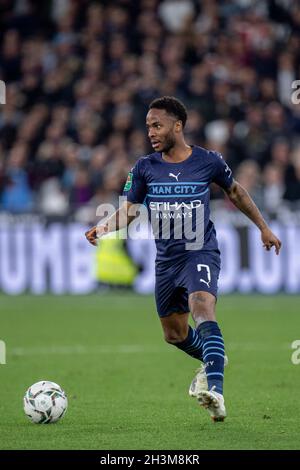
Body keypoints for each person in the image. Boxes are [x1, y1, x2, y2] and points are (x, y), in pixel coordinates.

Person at [85, 96, 282, 422]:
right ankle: (212, 355)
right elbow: (131, 210)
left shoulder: (208, 161)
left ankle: (215, 392)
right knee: (174, 334)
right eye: (148, 126)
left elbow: (236, 192)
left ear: (178, 126)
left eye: (157, 125)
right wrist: (104, 226)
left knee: (202, 307)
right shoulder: (145, 167)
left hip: (200, 250)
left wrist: (263, 227)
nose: (151, 131)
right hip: (166, 261)